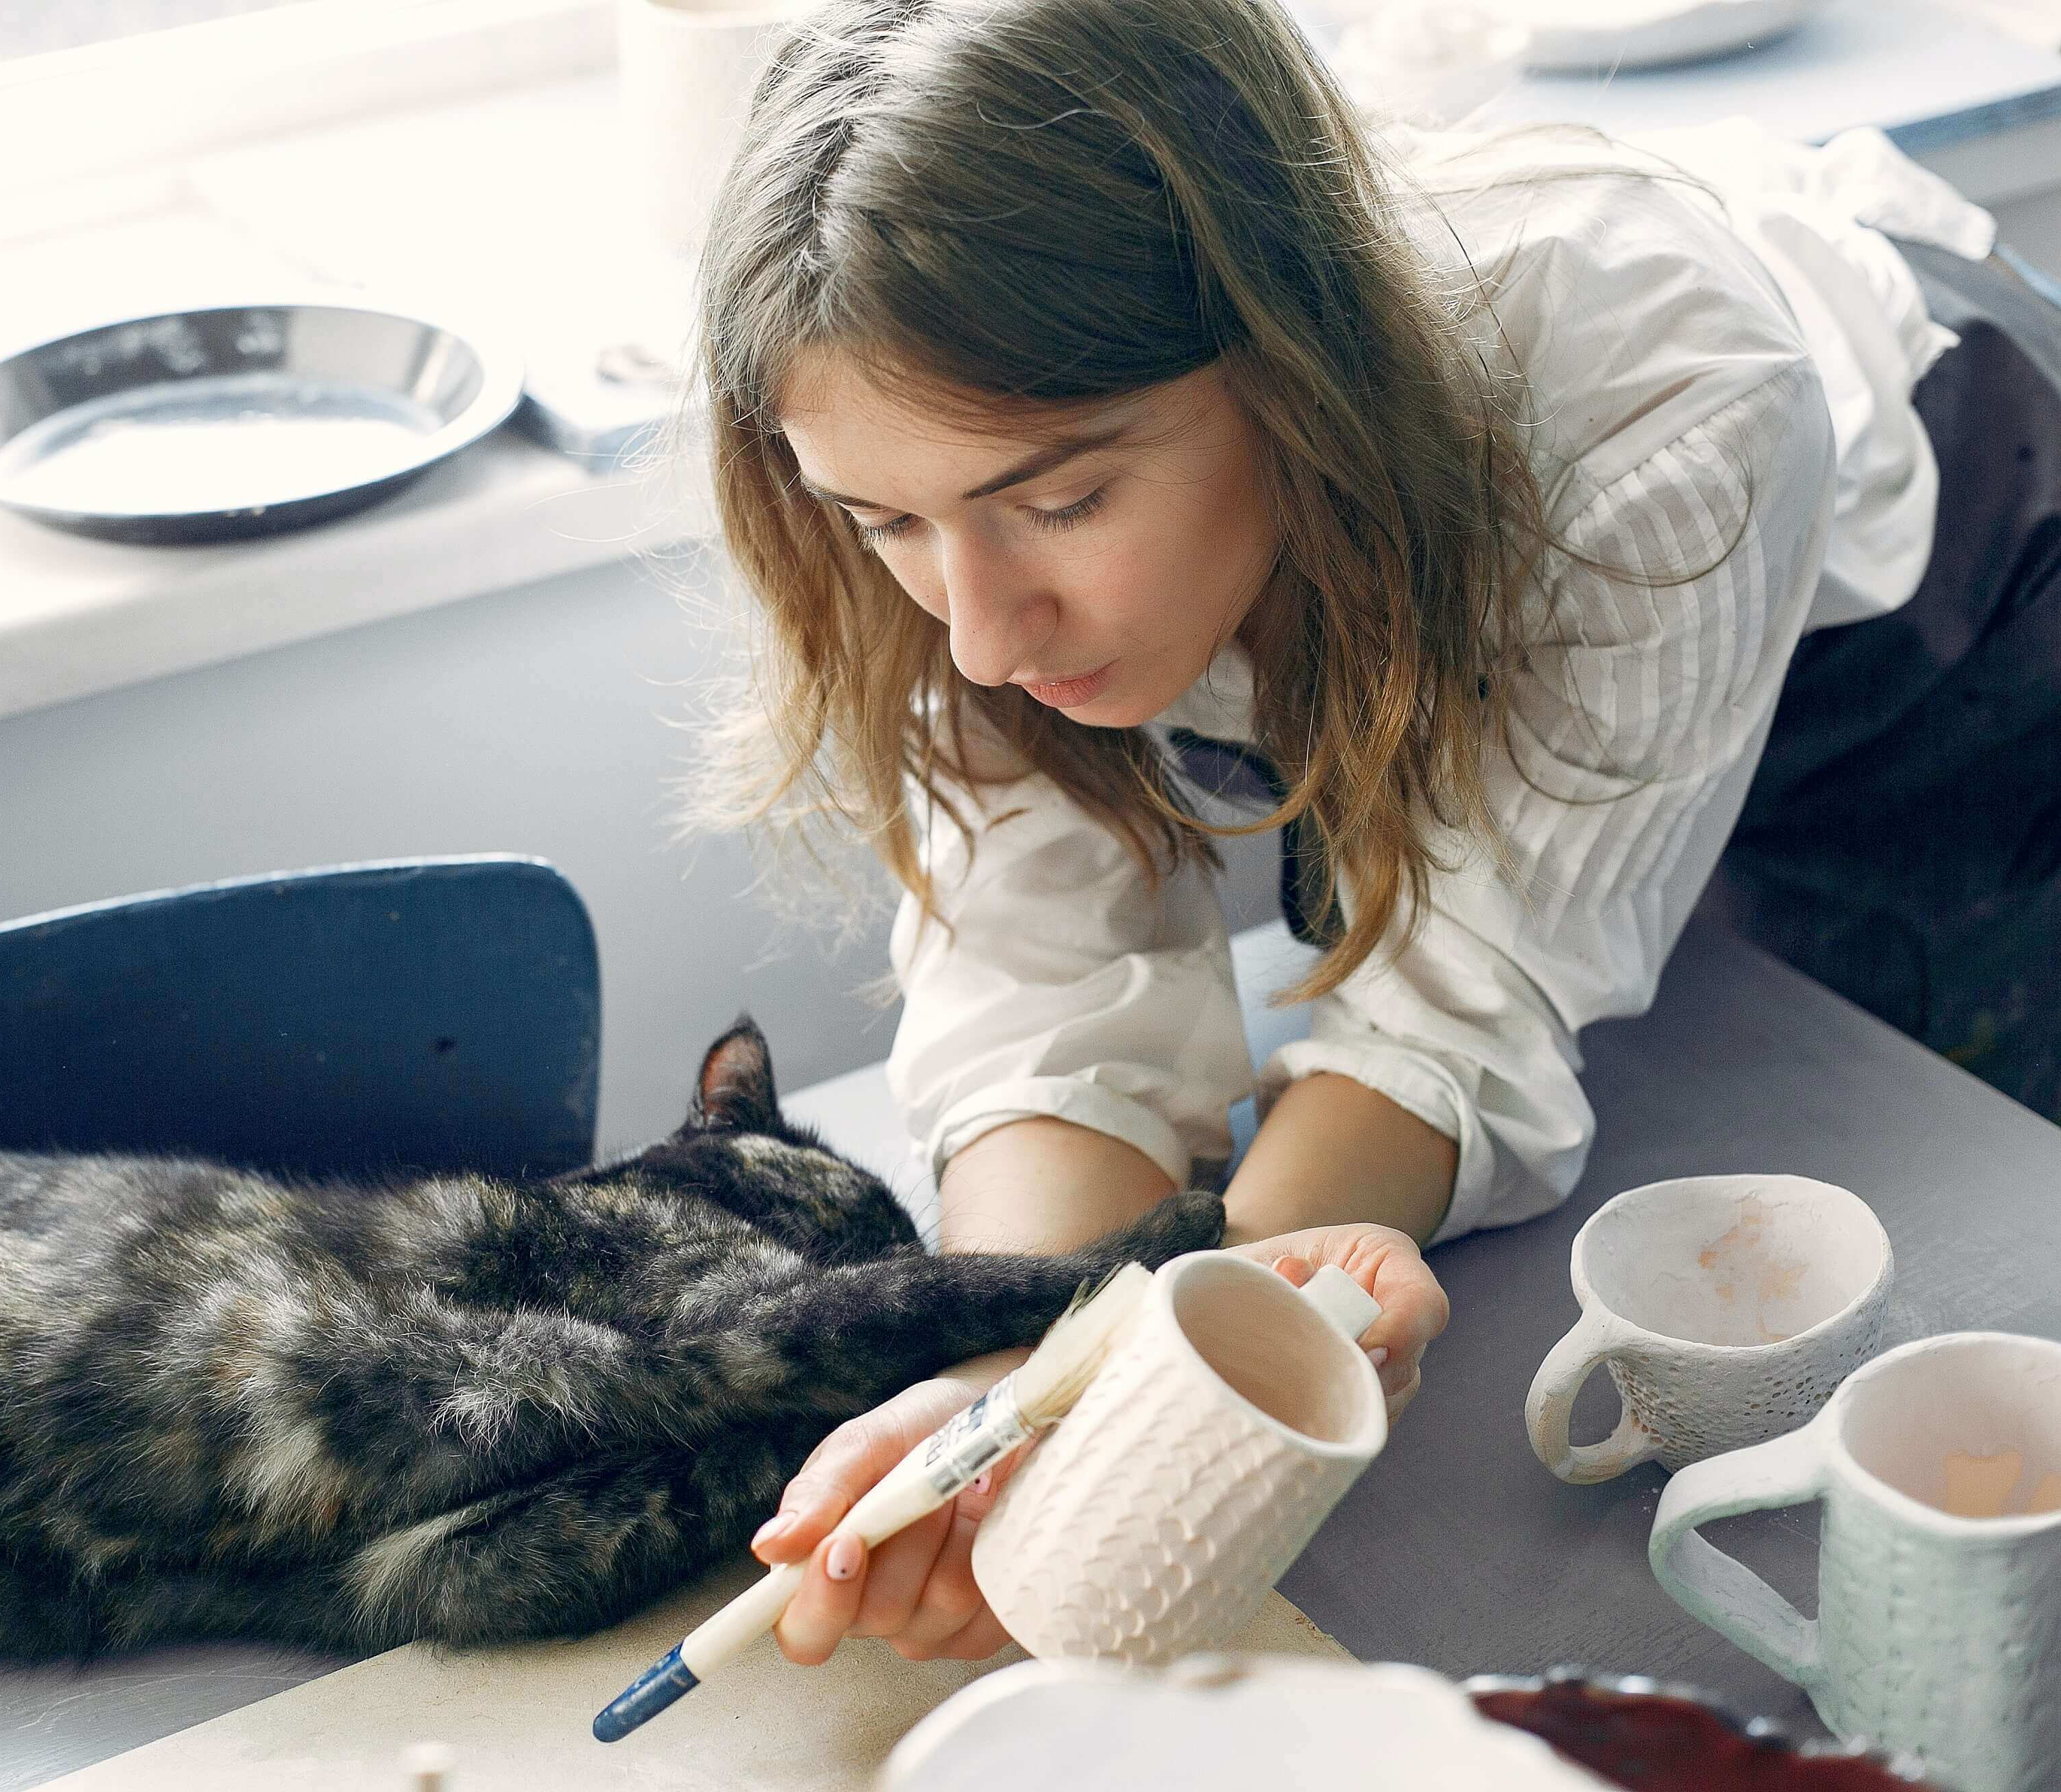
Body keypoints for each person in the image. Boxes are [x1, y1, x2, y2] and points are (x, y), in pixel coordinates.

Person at [682, 0, 2059, 1666]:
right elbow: (1050, 1002)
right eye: (891, 521)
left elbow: (1464, 1006)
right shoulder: (957, 504)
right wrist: (995, 1392)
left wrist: (1198, 1376)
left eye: (1059, 503)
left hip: (1938, 640)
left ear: (1290, 371)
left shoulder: (1670, 399)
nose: (976, 634)